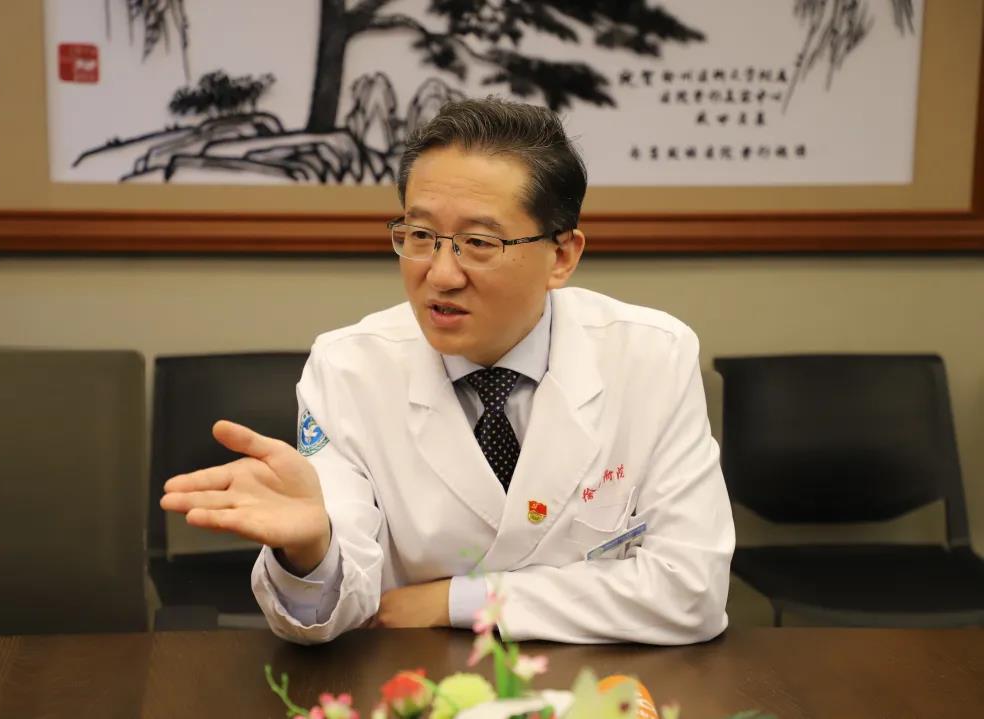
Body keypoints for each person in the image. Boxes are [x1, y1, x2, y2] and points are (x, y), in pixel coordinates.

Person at [161, 98, 735, 645]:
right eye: (419, 236)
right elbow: (340, 602)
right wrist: (310, 553)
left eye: (478, 242)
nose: (439, 275)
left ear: (561, 256)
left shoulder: (653, 355)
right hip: (416, 679)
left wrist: (459, 602)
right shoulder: (349, 368)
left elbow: (692, 590)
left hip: (597, 685)